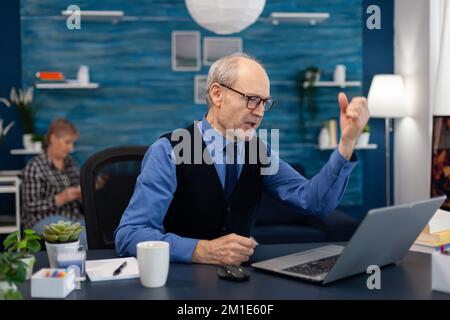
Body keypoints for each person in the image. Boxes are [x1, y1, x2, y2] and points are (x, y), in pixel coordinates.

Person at [115, 53, 369, 265]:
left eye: (264, 103)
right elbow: (130, 235)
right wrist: (200, 250)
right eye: (251, 100)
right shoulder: (168, 151)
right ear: (217, 94)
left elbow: (314, 202)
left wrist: (346, 145)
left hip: (242, 283)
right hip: (178, 284)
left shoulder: (259, 151)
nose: (259, 113)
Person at [22, 118, 87, 246]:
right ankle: (78, 265)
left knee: (97, 230)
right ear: (53, 139)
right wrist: (60, 198)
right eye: (67, 142)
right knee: (82, 237)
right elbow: (29, 205)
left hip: (73, 217)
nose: (70, 148)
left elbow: (78, 192)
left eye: (72, 143)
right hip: (43, 218)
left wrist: (82, 193)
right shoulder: (35, 166)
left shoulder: (71, 163)